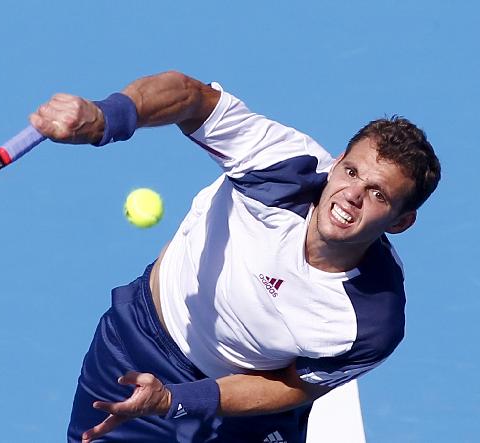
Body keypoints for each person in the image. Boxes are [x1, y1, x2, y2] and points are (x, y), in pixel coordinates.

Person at [29, 71, 440, 443]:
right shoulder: (283, 166)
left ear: (401, 222)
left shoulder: (374, 319)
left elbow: (295, 384)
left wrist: (179, 398)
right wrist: (106, 117)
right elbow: (191, 97)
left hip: (240, 414)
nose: (352, 195)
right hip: (136, 351)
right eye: (351, 172)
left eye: (378, 194)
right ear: (335, 165)